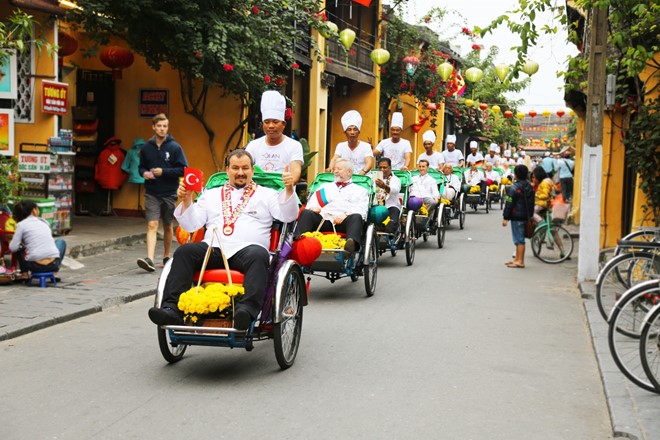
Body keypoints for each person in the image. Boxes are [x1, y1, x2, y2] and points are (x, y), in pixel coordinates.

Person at [148, 149, 299, 330]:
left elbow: (288, 215)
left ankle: (246, 311)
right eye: (235, 168)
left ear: (252, 170)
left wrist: (289, 190)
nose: (240, 173)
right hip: (214, 248)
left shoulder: (267, 194)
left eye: (245, 168)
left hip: (248, 251)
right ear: (227, 169)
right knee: (183, 252)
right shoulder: (211, 194)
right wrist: (187, 200)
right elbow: (191, 225)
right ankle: (171, 309)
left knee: (259, 254)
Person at [138, 113, 188, 272]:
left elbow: (183, 169)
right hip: (151, 192)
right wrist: (144, 173)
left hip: (169, 192)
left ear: (167, 128)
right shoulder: (146, 148)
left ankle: (166, 256)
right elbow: (141, 167)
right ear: (153, 127)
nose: (162, 129)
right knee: (152, 224)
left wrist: (163, 172)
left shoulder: (174, 147)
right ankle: (149, 259)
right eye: (159, 126)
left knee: (167, 225)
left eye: (164, 126)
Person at [294, 158, 369, 256]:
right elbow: (312, 203)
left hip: (345, 223)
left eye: (339, 169)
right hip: (324, 221)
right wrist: (314, 208)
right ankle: (298, 242)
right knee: (306, 213)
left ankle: (351, 245)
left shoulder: (360, 190)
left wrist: (345, 215)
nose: (335, 171)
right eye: (334, 169)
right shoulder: (325, 187)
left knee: (357, 217)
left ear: (349, 172)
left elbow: (362, 209)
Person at [245, 90, 304, 182]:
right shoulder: (253, 146)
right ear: (263, 124)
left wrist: (290, 180)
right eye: (267, 122)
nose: (271, 126)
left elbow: (295, 169)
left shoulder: (294, 146)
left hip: (283, 192)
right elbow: (245, 168)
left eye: (275, 122)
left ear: (284, 124)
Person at [9, 200, 66, 275]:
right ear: (34, 211)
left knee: (18, 247)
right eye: (37, 208)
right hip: (53, 264)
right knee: (60, 242)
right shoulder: (45, 222)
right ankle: (55, 273)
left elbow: (13, 248)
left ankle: (25, 273)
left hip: (35, 266)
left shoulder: (21, 225)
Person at [502, 164, 534, 269]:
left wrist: (505, 217)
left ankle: (520, 261)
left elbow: (509, 203)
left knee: (519, 239)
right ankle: (517, 259)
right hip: (525, 215)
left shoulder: (514, 188)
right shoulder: (529, 186)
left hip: (516, 216)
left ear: (515, 175)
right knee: (518, 238)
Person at [327, 110, 374, 175]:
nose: (352, 132)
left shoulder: (366, 146)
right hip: (345, 179)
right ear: (345, 132)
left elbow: (369, 162)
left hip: (362, 179)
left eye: (355, 129)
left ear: (358, 132)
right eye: (349, 130)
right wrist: (330, 168)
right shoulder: (340, 146)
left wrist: (363, 172)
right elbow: (334, 159)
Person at [373, 157, 402, 234]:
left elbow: (395, 190)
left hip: (391, 206)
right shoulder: (374, 178)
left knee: (391, 224)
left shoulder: (395, 179)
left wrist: (385, 186)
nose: (382, 170)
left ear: (390, 168)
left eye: (384, 167)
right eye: (380, 168)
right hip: (376, 206)